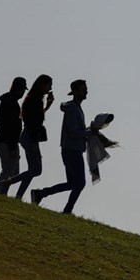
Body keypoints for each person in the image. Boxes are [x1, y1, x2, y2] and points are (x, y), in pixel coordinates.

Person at [31, 79, 93, 215]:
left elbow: (76, 131)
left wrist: (89, 130)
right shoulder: (73, 109)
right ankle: (67, 210)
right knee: (80, 183)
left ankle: (40, 193)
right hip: (72, 150)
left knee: (72, 183)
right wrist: (89, 132)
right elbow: (73, 132)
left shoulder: (75, 107)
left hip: (71, 149)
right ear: (75, 91)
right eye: (84, 89)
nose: (86, 91)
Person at [1, 75, 54, 199]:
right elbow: (32, 122)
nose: (50, 88)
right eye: (49, 85)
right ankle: (8, 182)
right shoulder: (34, 99)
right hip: (30, 136)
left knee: (32, 169)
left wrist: (48, 106)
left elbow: (36, 117)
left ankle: (19, 195)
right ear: (42, 85)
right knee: (36, 170)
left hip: (29, 135)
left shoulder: (34, 99)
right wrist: (35, 143)